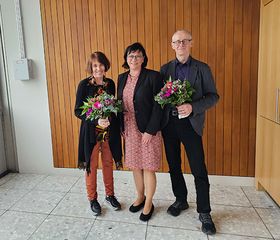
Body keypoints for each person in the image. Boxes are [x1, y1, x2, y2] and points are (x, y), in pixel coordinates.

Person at [160, 30, 219, 235]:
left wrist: (193, 107)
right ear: (172, 45)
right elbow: (160, 97)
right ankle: (181, 200)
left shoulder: (202, 68)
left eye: (185, 41)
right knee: (174, 166)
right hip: (169, 125)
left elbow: (213, 96)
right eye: (177, 41)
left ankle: (204, 212)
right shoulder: (165, 69)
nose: (181, 44)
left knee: (198, 170)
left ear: (191, 43)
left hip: (191, 126)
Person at [117, 42, 162, 221]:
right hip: (129, 128)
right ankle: (140, 196)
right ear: (126, 59)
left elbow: (160, 106)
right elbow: (119, 104)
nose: (134, 59)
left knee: (149, 167)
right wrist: (120, 126)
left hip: (148, 130)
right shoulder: (121, 78)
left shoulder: (153, 76)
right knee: (135, 166)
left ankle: (149, 202)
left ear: (143, 59)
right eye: (130, 56)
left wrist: (150, 130)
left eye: (137, 56)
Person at [74, 51, 122, 216]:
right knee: (92, 165)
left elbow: (113, 106)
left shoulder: (110, 83)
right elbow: (78, 111)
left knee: (108, 163)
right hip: (91, 133)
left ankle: (110, 195)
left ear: (105, 65)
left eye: (101, 64)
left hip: (108, 131)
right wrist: (96, 121)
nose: (98, 68)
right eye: (95, 65)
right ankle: (92, 198)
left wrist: (109, 118)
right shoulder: (84, 85)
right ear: (91, 67)